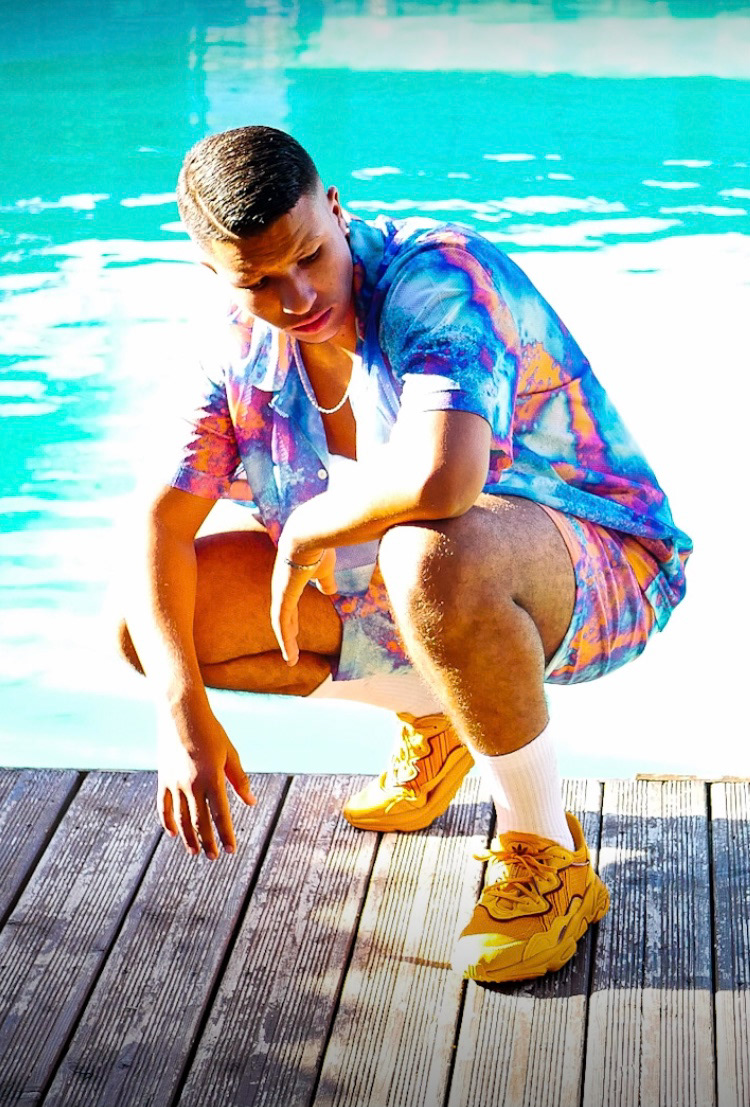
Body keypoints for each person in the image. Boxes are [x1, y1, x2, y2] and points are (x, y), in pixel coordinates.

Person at [118, 125, 692, 984]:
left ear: (335, 207)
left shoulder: (438, 278)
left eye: (310, 255)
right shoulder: (235, 347)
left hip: (600, 565)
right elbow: (157, 526)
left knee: (432, 551)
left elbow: (444, 477)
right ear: (213, 273)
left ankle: (546, 853)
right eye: (259, 281)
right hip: (423, 589)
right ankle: (440, 717)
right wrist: (179, 711)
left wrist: (306, 529)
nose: (297, 295)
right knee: (159, 627)